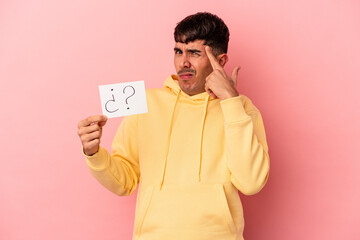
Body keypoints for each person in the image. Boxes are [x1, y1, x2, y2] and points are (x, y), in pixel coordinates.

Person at [77, 12, 270, 240]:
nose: (183, 62)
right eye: (178, 51)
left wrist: (230, 101)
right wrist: (94, 153)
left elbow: (251, 183)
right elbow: (124, 181)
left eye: (195, 53)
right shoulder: (145, 103)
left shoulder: (241, 109)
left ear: (221, 61)